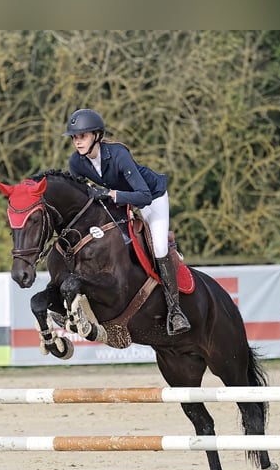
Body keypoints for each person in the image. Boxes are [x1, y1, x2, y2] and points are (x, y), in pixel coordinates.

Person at [63, 108, 191, 335]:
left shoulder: (118, 154)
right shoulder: (77, 162)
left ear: (96, 136)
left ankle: (175, 311)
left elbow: (143, 195)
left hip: (152, 198)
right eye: (74, 137)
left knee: (160, 247)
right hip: (121, 203)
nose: (77, 142)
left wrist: (113, 194)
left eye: (82, 136)